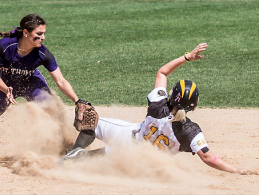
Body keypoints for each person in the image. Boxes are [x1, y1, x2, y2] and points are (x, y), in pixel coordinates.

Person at [60, 43, 255, 175]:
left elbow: (162, 72)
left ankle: (74, 152)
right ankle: (82, 158)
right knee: (97, 158)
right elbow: (208, 157)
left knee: (90, 119)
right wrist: (237, 170)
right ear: (193, 105)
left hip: (126, 138)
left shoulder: (158, 105)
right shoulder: (191, 131)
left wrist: (187, 56)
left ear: (172, 95)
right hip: (139, 165)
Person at [0, 13, 80, 155]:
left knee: (51, 108)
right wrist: (6, 89)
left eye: (44, 34)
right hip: (5, 84)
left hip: (31, 82)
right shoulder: (5, 46)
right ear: (26, 33)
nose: (43, 38)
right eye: (39, 34)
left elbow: (60, 80)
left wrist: (77, 100)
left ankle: (62, 149)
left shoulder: (42, 53)